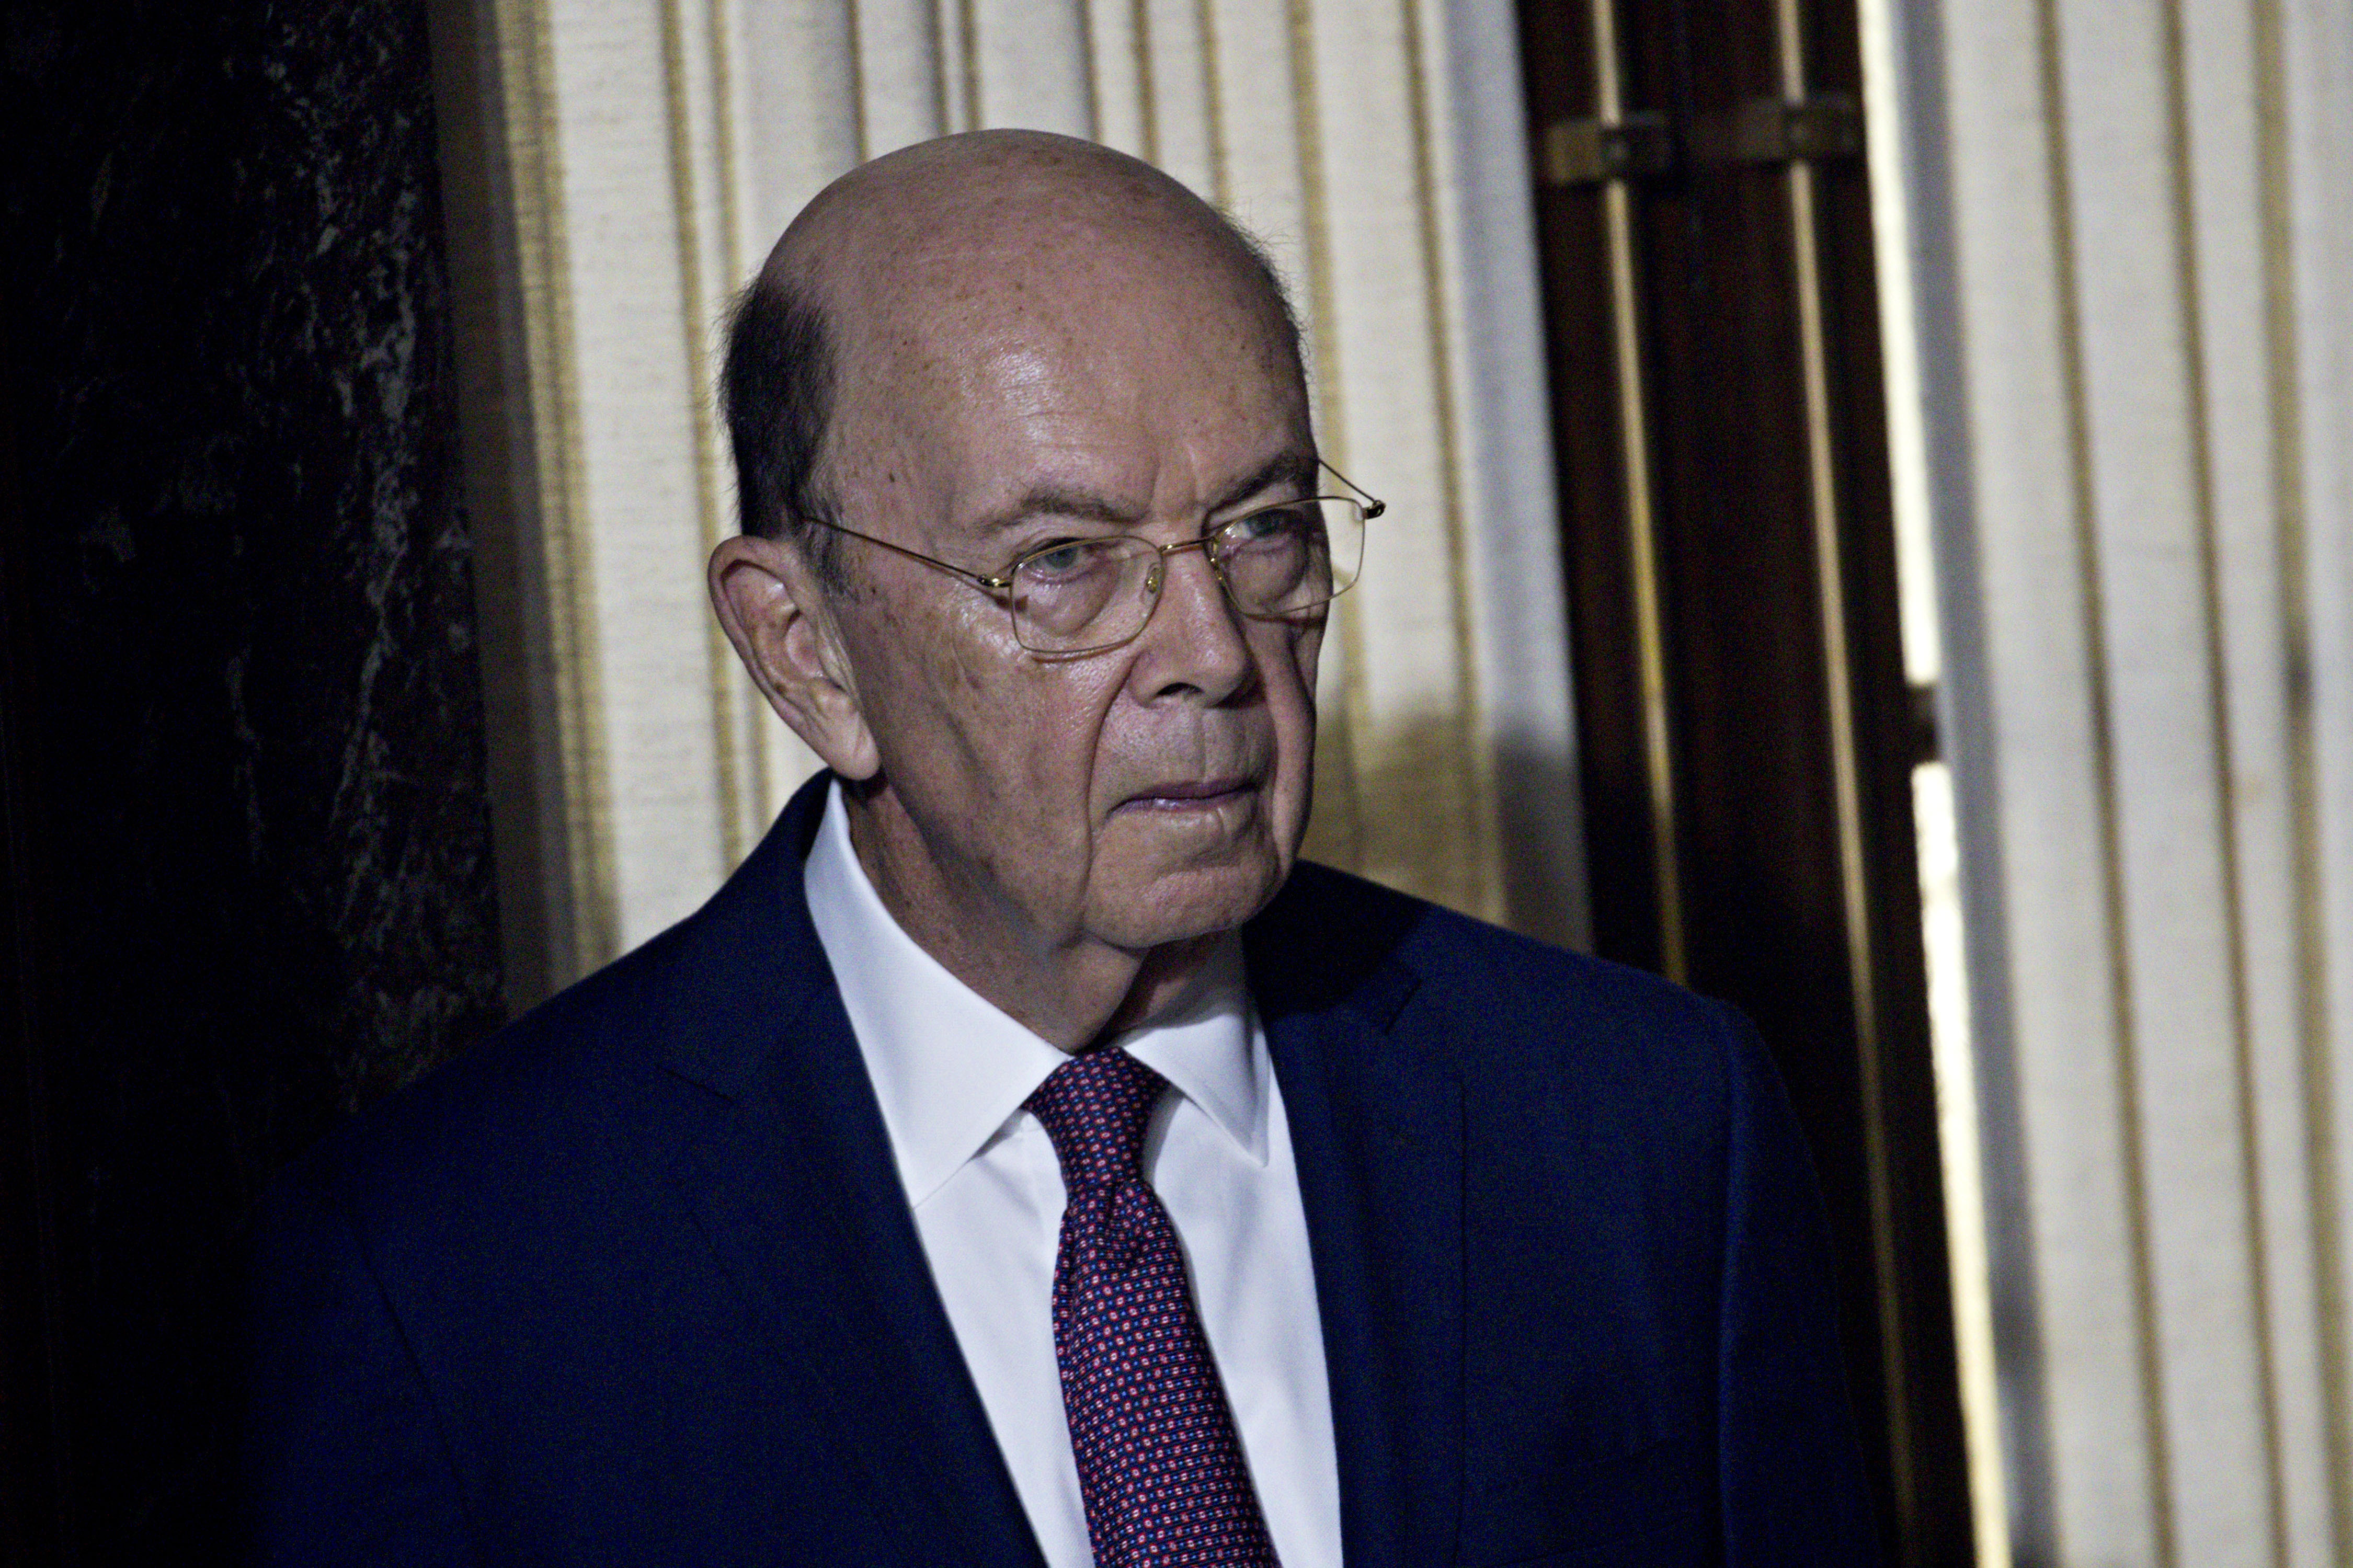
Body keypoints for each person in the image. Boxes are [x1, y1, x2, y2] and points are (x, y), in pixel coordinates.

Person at [243, 130, 1877, 1566]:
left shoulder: (1640, 1133)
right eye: (1061, 561)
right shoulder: (451, 1277)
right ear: (807, 652)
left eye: (1260, 529)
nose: (1213, 654)